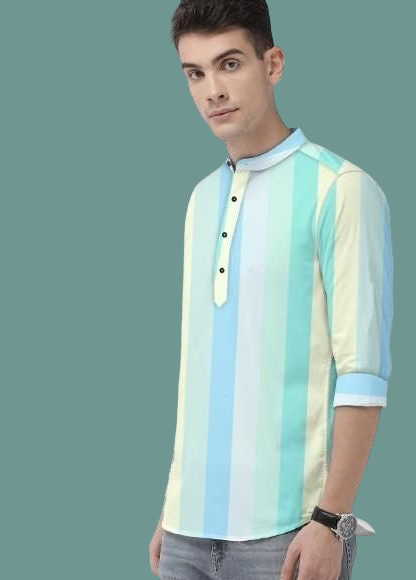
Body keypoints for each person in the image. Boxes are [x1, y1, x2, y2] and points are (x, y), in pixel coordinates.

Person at [149, 1, 394, 578]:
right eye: (195, 73)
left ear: (273, 64)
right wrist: (172, 507)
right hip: (185, 533)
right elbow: (200, 372)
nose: (213, 90)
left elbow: (363, 372)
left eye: (230, 64)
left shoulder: (341, 189)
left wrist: (331, 520)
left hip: (290, 534)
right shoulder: (200, 199)